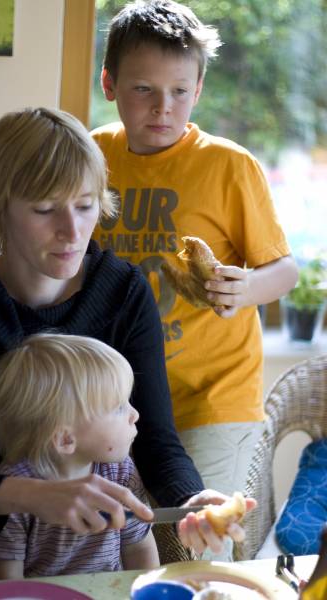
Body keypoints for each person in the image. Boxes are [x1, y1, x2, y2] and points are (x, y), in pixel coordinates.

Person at [0, 107, 254, 583]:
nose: (73, 231)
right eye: (44, 209)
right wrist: (24, 494)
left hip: (98, 574)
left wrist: (190, 501)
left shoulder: (123, 291)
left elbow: (157, 441)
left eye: (85, 206)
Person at [92, 0, 298, 561]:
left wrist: (246, 289)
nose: (163, 108)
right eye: (143, 90)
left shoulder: (229, 165)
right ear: (109, 83)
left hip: (213, 398)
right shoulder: (94, 154)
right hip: (116, 402)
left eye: (180, 92)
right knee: (121, 548)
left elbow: (285, 270)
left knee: (193, 549)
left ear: (200, 90)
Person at [0, 333, 159, 578]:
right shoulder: (13, 491)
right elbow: (5, 579)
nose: (135, 415)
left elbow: (139, 547)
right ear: (65, 439)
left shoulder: (119, 471)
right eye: (119, 407)